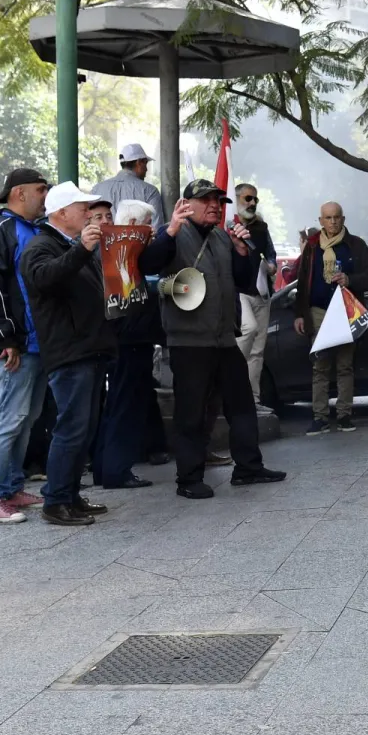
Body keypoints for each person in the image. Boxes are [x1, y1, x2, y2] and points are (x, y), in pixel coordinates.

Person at [140, 179, 285, 498]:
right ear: (186, 205)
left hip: (223, 337)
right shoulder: (172, 233)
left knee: (242, 404)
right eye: (206, 201)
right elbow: (148, 264)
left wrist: (242, 251)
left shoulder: (222, 237)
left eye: (218, 202)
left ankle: (248, 468)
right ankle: (189, 479)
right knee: (191, 412)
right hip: (189, 341)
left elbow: (243, 281)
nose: (215, 207)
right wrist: (171, 231)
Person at [19, 182, 115, 526]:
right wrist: (82, 251)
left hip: (88, 348)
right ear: (61, 213)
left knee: (84, 428)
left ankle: (70, 495)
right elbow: (44, 279)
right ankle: (57, 500)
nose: (89, 214)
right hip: (70, 351)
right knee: (72, 428)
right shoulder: (40, 246)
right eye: (83, 208)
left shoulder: (68, 245)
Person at [0, 167, 50, 524]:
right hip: (14, 345)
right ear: (19, 193)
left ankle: (12, 486)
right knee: (8, 418)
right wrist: (5, 338)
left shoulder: (34, 229)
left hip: (36, 343)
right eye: (40, 189)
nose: (45, 196)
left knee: (26, 419)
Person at [91, 200, 164, 490]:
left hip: (125, 339)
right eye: (147, 224)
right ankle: (117, 470)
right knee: (126, 407)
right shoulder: (123, 252)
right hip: (130, 339)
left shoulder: (112, 250)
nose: (151, 229)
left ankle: (105, 467)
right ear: (133, 226)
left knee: (116, 406)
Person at [292, 201, 368, 435]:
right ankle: (320, 417)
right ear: (321, 221)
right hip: (318, 312)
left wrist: (350, 280)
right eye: (328, 218)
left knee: (344, 366)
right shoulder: (312, 247)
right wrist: (300, 313)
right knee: (320, 366)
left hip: (346, 311)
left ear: (343, 219)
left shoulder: (356, 245)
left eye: (336, 217)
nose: (333, 222)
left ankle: (344, 415)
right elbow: (302, 281)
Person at [232, 182, 278, 410]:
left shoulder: (261, 227)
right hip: (239, 292)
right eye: (248, 198)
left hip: (261, 292)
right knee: (247, 330)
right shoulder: (228, 226)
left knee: (258, 350)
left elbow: (271, 253)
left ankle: (253, 399)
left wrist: (271, 266)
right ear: (237, 199)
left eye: (255, 199)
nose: (252, 203)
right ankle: (233, 388)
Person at [92, 143, 165, 230]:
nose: (146, 169)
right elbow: (156, 228)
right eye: (145, 163)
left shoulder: (97, 189)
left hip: (103, 239)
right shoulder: (149, 191)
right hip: (137, 239)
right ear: (139, 163)